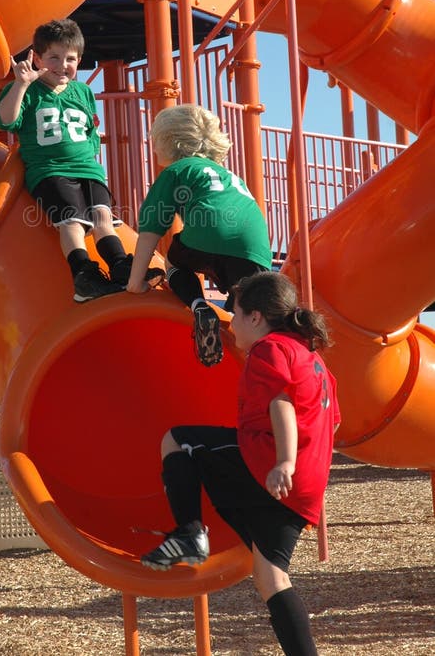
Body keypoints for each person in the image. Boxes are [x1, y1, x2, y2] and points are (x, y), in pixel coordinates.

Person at [139, 272, 340, 656]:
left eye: (235, 313)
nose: (230, 323)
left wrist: (283, 461)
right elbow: (331, 421)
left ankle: (189, 535)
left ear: (257, 317)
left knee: (177, 440)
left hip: (271, 467)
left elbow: (280, 402)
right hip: (308, 487)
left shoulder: (271, 349)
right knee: (271, 578)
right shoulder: (312, 358)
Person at [0, 19, 163, 302]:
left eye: (69, 58)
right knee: (71, 220)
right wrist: (20, 84)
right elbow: (7, 120)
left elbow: (91, 132)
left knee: (102, 217)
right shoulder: (27, 91)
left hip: (89, 169)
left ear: (79, 60)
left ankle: (120, 265)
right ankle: (83, 274)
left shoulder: (82, 92)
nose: (62, 65)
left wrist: (94, 163)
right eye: (53, 58)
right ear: (37, 58)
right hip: (50, 170)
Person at [126, 104, 272, 365]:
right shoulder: (231, 176)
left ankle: (200, 307)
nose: (154, 147)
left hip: (207, 236)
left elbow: (150, 231)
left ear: (170, 140)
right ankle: (256, 359)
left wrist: (135, 283)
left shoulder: (177, 170)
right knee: (245, 309)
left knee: (172, 259)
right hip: (256, 248)